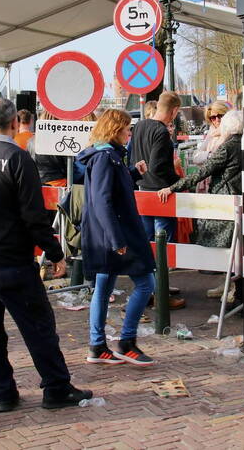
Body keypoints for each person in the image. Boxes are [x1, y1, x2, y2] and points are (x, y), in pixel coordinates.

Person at [0, 98, 92, 412]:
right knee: (38, 326)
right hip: (12, 259)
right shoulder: (17, 159)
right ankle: (55, 387)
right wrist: (56, 252)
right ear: (15, 123)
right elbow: (33, 216)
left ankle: (3, 393)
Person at [77, 109, 155, 366]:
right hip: (114, 234)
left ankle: (98, 345)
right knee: (145, 283)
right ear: (114, 130)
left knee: (104, 287)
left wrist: (132, 173)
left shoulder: (107, 155)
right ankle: (125, 341)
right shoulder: (105, 157)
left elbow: (109, 190)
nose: (130, 133)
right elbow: (102, 200)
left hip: (106, 233)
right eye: (126, 129)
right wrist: (116, 240)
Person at [158, 109, 243, 300]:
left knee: (223, 247)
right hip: (239, 197)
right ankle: (231, 285)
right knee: (236, 246)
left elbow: (202, 172)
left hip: (223, 201)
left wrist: (174, 187)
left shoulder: (227, 147)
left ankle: (234, 289)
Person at [130, 91, 181, 242]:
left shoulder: (138, 126)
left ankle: (150, 265)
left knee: (146, 237)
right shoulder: (162, 132)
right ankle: (163, 265)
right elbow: (157, 167)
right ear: (174, 111)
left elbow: (133, 158)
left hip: (142, 188)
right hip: (161, 192)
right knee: (163, 239)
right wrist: (178, 181)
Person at [193, 101, 229, 166]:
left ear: (227, 115)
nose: (217, 119)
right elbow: (196, 157)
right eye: (213, 117)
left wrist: (206, 155)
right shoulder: (212, 132)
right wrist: (210, 155)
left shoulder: (232, 132)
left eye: (220, 115)